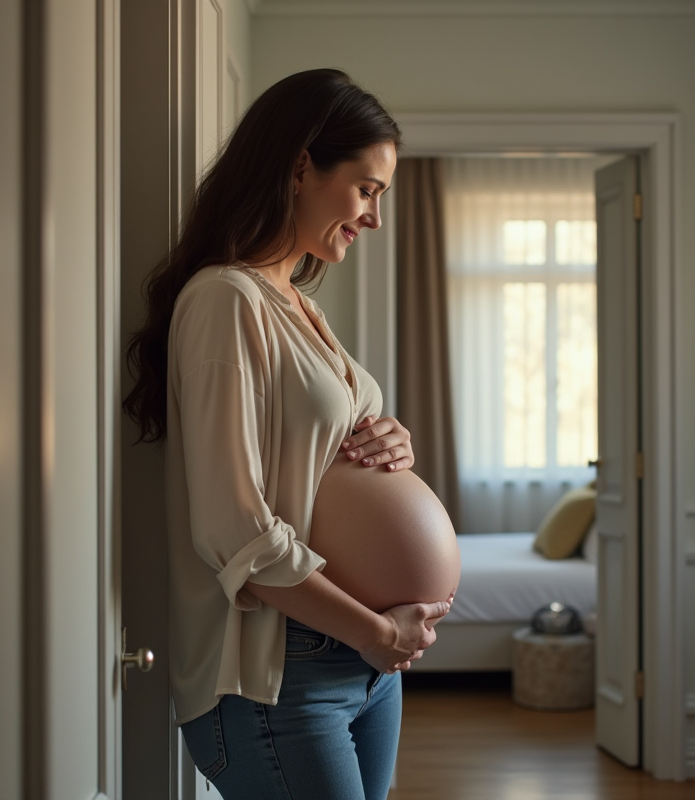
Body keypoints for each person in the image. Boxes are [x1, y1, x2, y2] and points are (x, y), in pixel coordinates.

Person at [122, 68, 451, 800]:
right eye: (366, 189)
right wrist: (373, 631)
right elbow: (232, 525)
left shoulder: (298, 305)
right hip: (280, 668)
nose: (374, 217)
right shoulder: (225, 300)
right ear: (301, 166)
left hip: (363, 664)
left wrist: (393, 442)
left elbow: (316, 454)